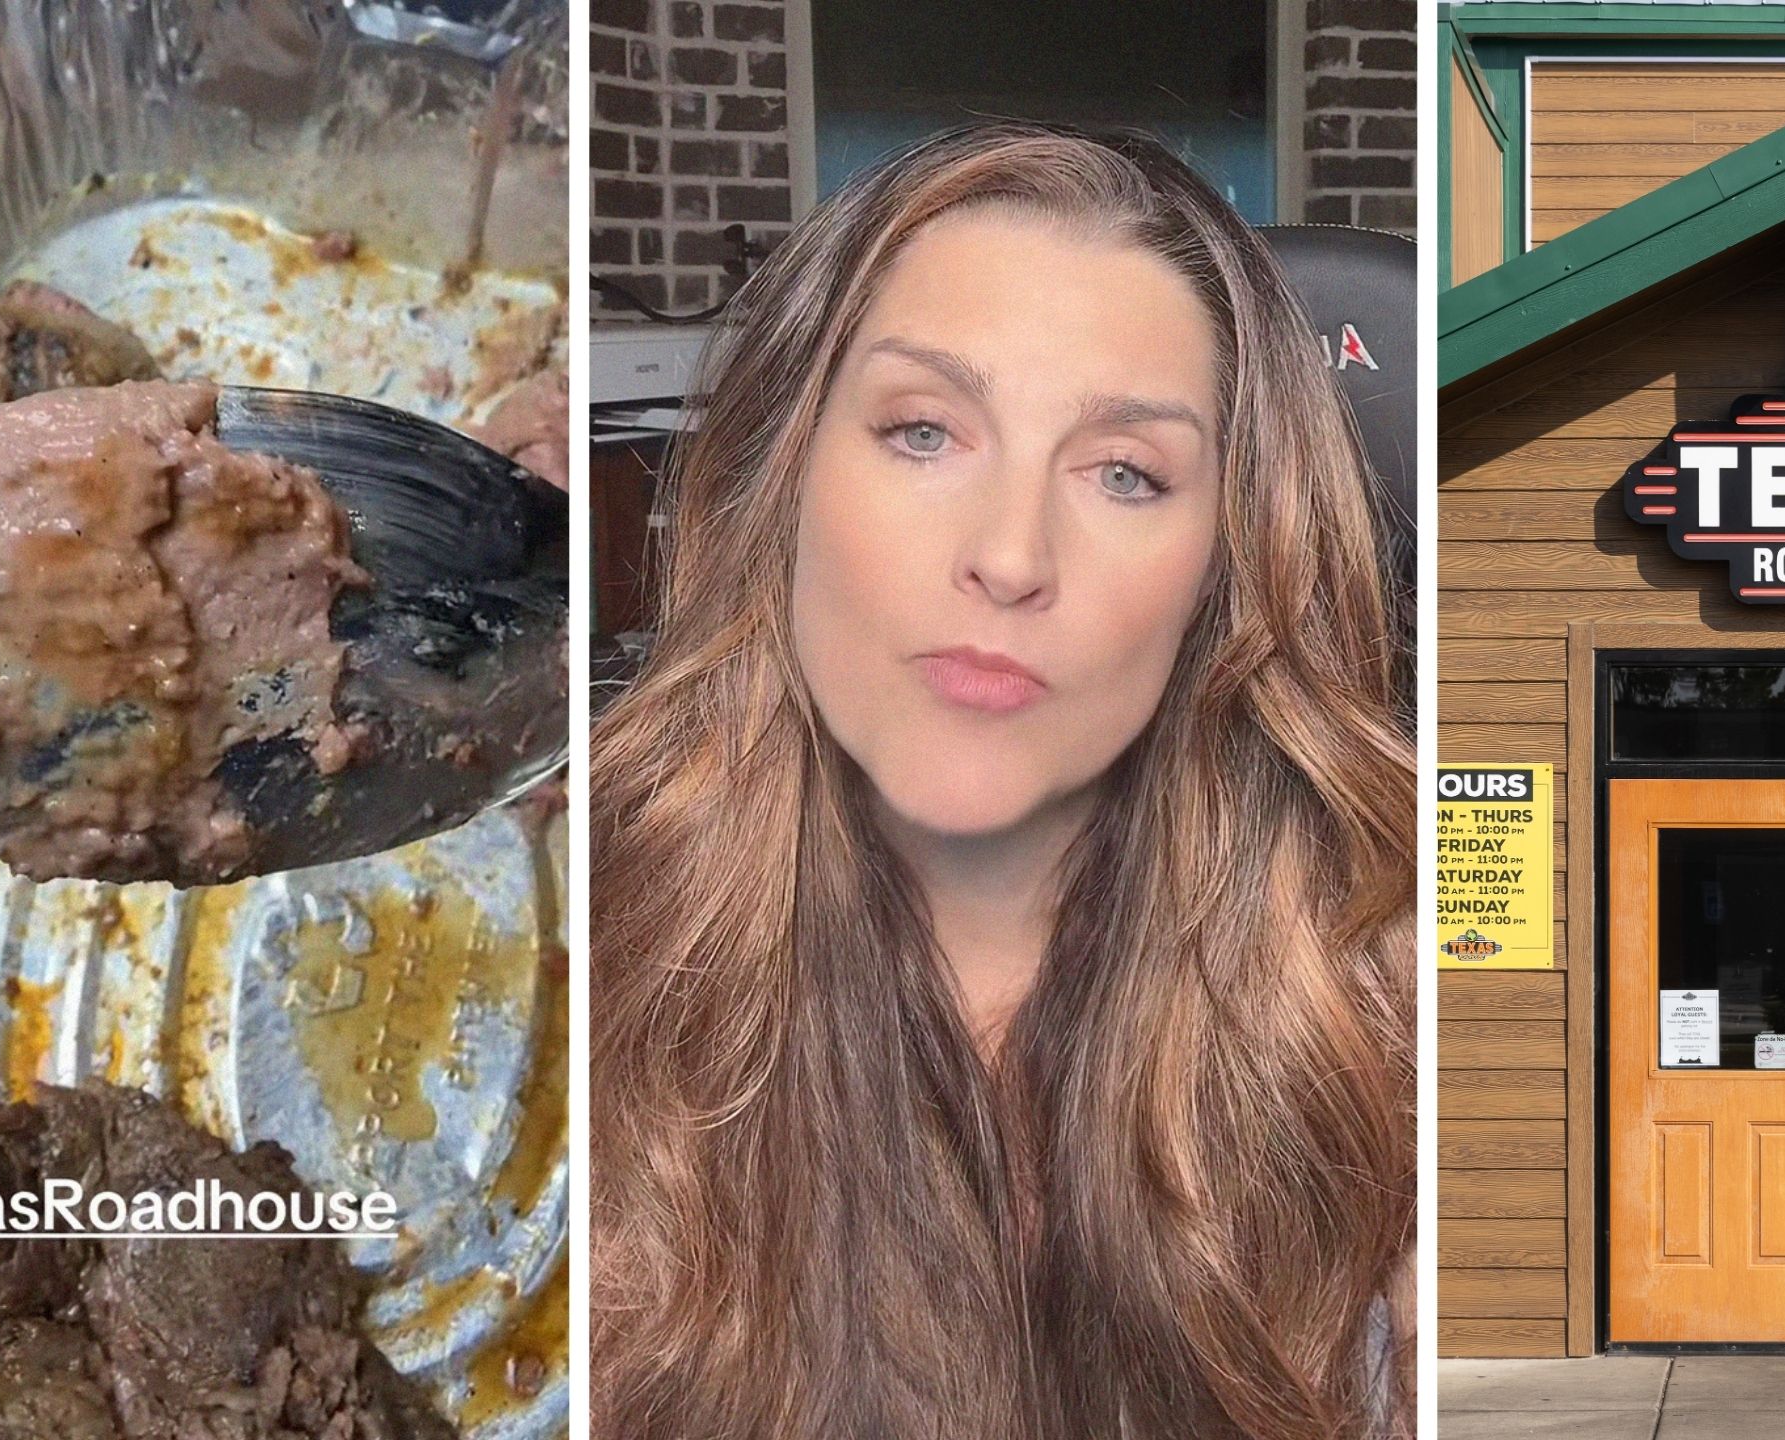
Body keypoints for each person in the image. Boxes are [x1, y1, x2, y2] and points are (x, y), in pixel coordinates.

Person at [589, 121, 1415, 1440]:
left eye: (1126, 472)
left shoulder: (1385, 1048)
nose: (1011, 553)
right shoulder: (569, 976)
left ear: (1228, 567)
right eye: (923, 433)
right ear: (781, 481)